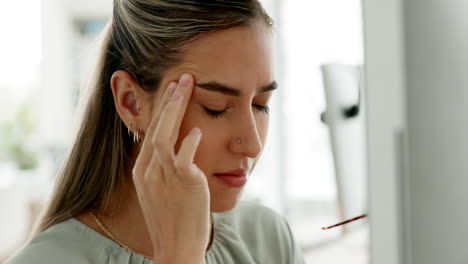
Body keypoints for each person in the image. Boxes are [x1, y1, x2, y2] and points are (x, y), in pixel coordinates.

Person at [7, 0, 306, 263]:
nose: (252, 145)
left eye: (261, 105)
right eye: (215, 107)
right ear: (131, 102)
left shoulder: (269, 239)